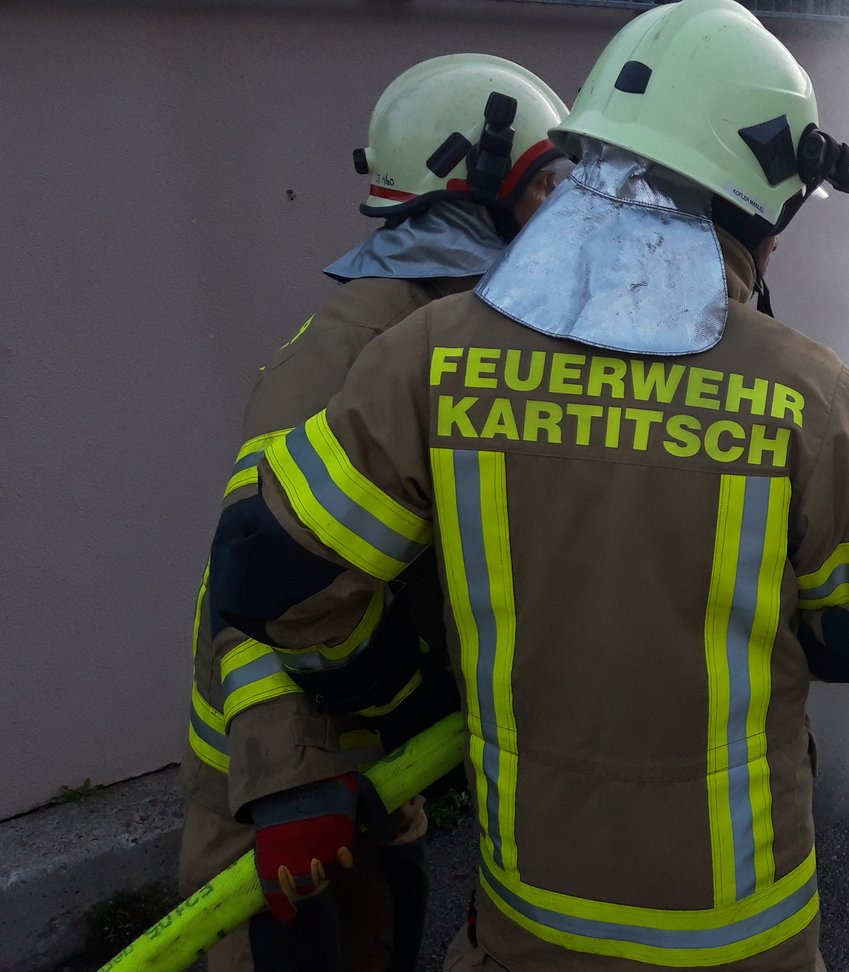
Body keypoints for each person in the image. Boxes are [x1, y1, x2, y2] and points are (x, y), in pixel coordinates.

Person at [206, 3, 849, 969]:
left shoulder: (426, 355)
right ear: (751, 203)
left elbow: (268, 577)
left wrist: (400, 687)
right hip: (742, 937)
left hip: (529, 925)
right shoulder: (803, 389)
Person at [178, 53, 570, 971]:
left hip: (380, 753)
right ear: (480, 184)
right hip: (268, 794)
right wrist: (290, 783)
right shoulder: (353, 347)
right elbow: (256, 570)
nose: (563, 207)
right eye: (547, 181)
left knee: (386, 926)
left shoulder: (479, 327)